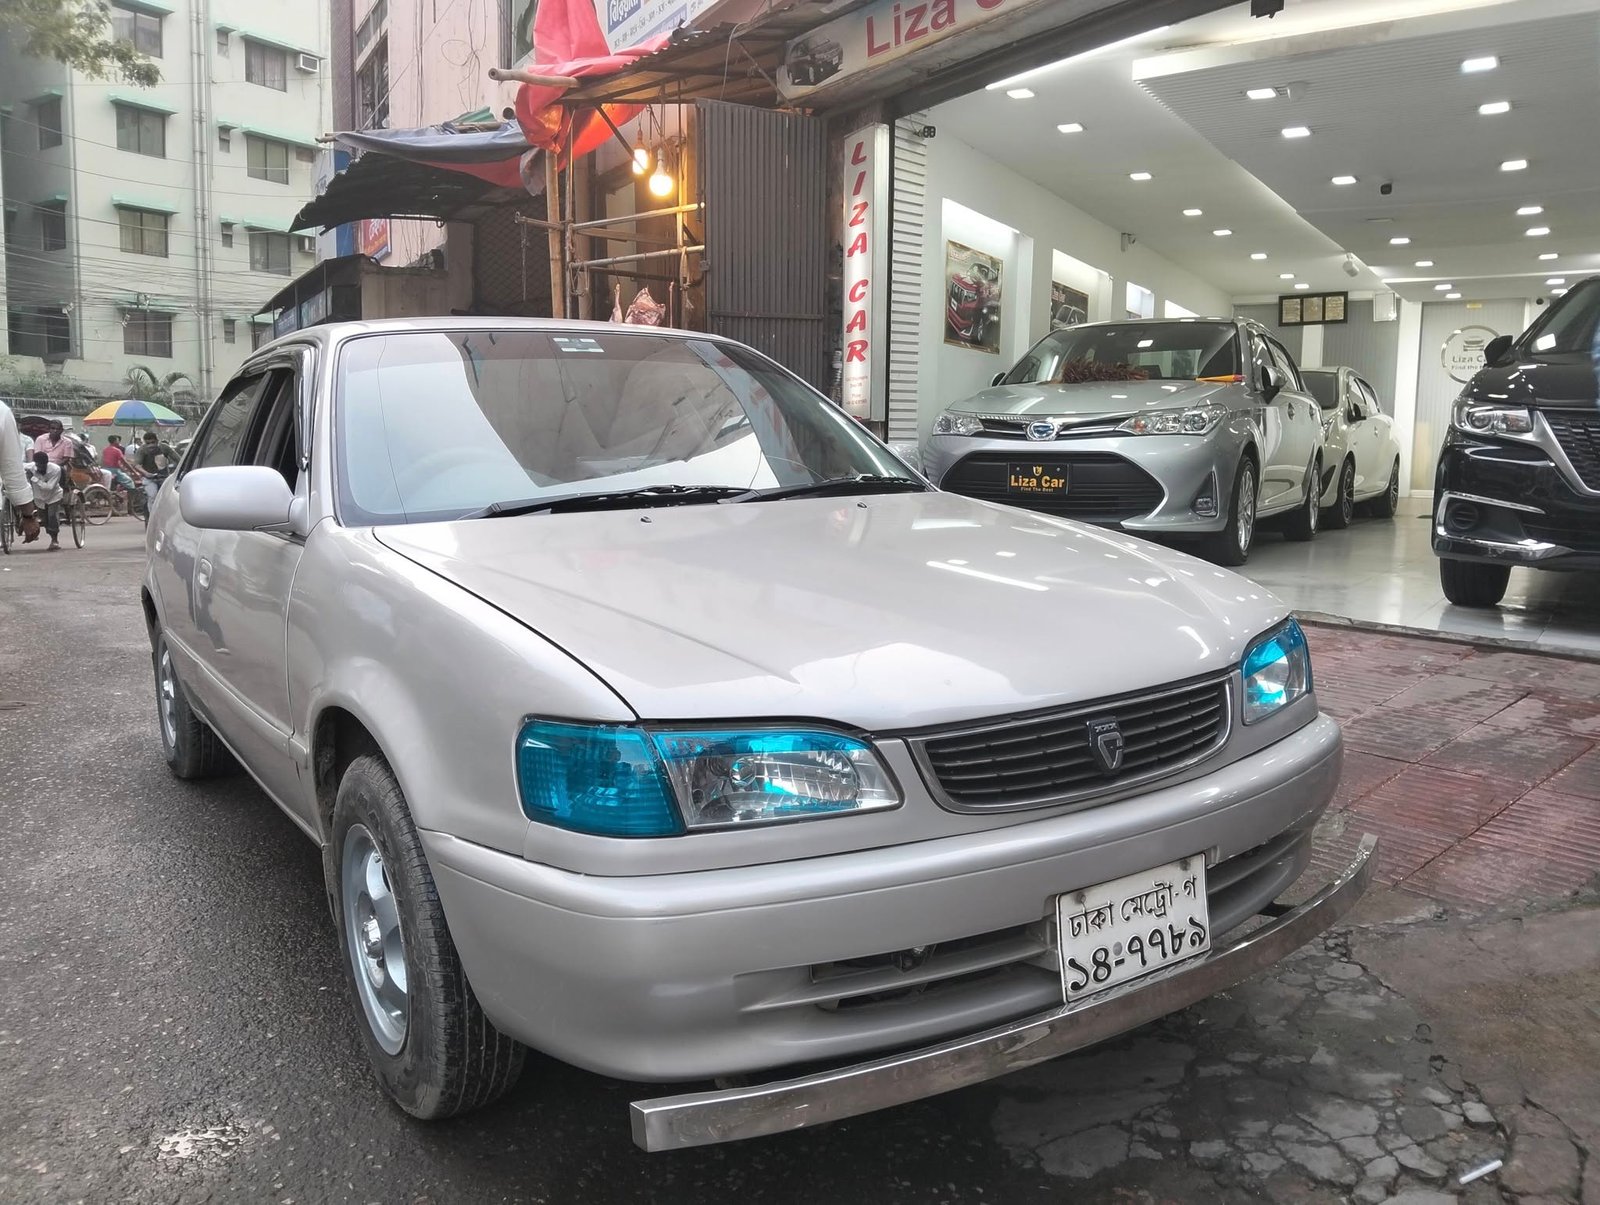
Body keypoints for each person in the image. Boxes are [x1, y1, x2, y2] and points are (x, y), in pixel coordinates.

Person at [0, 400, 42, 542]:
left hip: (26, 466)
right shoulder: (2, 412)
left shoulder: (27, 439)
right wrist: (28, 516)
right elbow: (11, 467)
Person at [26, 452, 64, 550]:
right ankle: (50, 535)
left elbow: (49, 487)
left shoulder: (55, 469)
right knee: (45, 519)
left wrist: (34, 478)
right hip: (39, 498)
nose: (40, 468)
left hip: (54, 496)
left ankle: (55, 540)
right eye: (38, 465)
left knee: (52, 516)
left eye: (43, 465)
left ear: (46, 463)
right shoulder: (31, 468)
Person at [133, 430, 177, 505]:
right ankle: (151, 515)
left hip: (164, 477)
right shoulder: (142, 450)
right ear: (145, 443)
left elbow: (178, 459)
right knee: (153, 496)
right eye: (148, 443)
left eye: (153, 442)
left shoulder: (164, 448)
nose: (151, 445)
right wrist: (146, 473)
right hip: (149, 479)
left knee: (169, 498)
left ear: (157, 441)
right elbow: (136, 465)